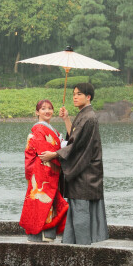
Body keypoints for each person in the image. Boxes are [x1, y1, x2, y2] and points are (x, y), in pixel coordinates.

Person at [41, 83, 108, 245]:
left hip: (85, 173)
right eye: (73, 94)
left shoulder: (89, 117)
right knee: (76, 211)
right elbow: (74, 137)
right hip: (83, 172)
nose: (75, 97)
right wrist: (66, 119)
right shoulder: (84, 115)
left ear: (88, 97)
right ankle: (73, 244)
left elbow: (78, 146)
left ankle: (82, 249)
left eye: (78, 94)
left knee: (81, 212)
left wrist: (54, 154)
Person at [19, 99, 69, 242]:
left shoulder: (50, 129)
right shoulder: (39, 129)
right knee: (40, 202)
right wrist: (61, 151)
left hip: (48, 170)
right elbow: (44, 151)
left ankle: (46, 234)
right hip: (42, 171)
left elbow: (55, 148)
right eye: (43, 109)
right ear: (37, 112)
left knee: (47, 202)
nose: (47, 111)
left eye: (50, 108)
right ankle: (39, 234)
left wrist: (60, 148)